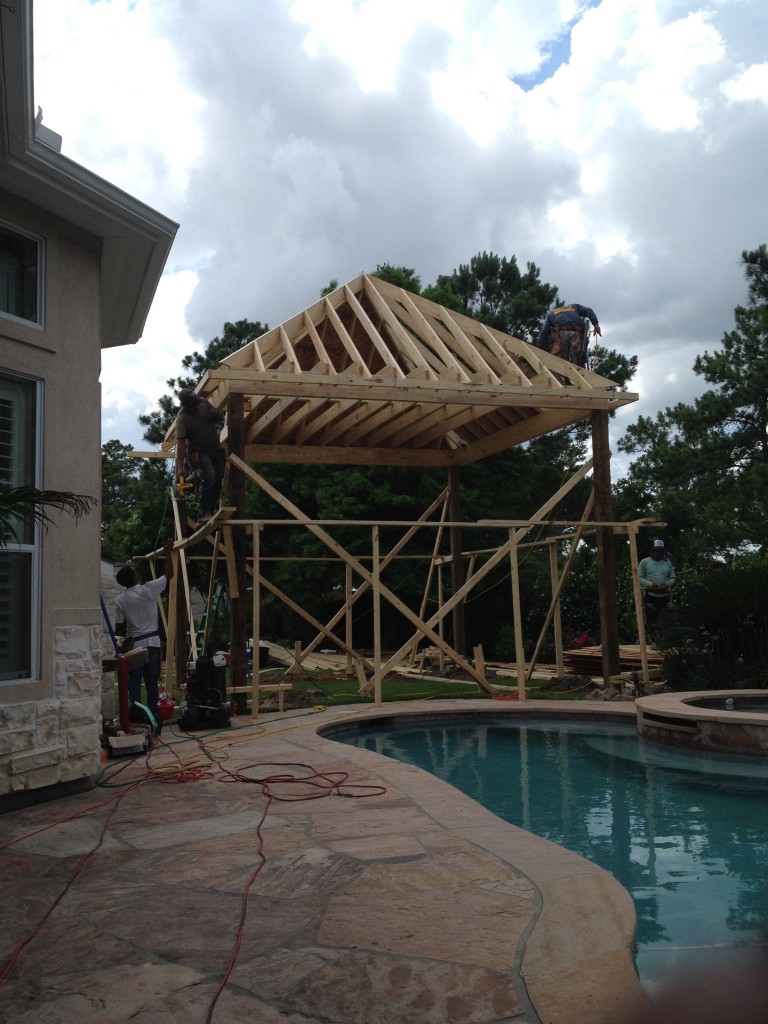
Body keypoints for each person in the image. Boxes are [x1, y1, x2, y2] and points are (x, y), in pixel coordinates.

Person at [115, 538, 174, 718]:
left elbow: (118, 627)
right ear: (133, 577)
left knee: (134, 681)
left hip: (135, 646)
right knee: (151, 682)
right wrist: (169, 551)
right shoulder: (148, 589)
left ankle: (138, 715)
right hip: (153, 643)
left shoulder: (121, 600)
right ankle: (154, 717)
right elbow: (169, 574)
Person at [175, 388, 226, 525]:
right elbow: (181, 445)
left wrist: (216, 415)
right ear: (186, 405)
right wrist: (180, 468)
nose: (197, 405)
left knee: (218, 480)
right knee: (210, 477)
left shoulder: (203, 402)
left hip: (216, 448)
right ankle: (205, 512)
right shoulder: (182, 418)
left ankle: (207, 511)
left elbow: (216, 419)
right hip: (200, 451)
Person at [535, 302, 602, 366]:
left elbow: (544, 333)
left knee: (561, 364)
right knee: (577, 363)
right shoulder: (574, 306)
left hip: (561, 336)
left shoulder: (551, 313)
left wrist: (537, 349)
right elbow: (588, 310)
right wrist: (596, 324)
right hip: (576, 334)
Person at [638, 539, 675, 631]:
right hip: (650, 595)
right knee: (651, 618)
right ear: (652, 551)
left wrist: (667, 584)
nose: (659, 553)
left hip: (664, 595)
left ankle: (663, 638)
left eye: (661, 551)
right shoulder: (645, 562)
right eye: (657, 551)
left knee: (666, 618)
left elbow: (672, 577)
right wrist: (650, 584)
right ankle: (651, 638)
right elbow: (639, 577)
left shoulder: (667, 563)